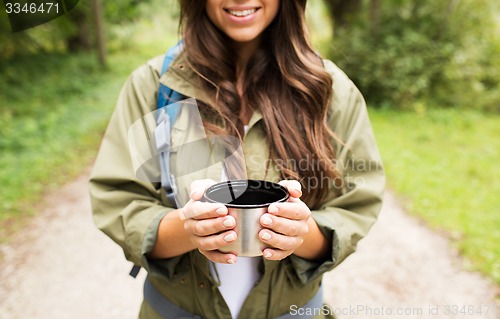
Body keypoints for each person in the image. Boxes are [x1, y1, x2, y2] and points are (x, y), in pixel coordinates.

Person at [89, 0, 385, 318]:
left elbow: (355, 207)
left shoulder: (330, 90)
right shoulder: (152, 88)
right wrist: (187, 229)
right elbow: (119, 199)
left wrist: (302, 233)